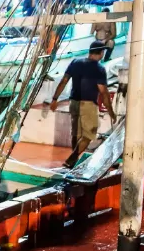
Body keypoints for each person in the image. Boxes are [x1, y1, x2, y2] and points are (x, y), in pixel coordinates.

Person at [49, 41, 117, 169]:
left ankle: (72, 162)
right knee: (87, 135)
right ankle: (71, 160)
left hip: (73, 102)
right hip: (88, 105)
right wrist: (111, 111)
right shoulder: (99, 69)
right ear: (101, 53)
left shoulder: (75, 62)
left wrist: (55, 99)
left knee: (76, 133)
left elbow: (64, 81)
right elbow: (104, 93)